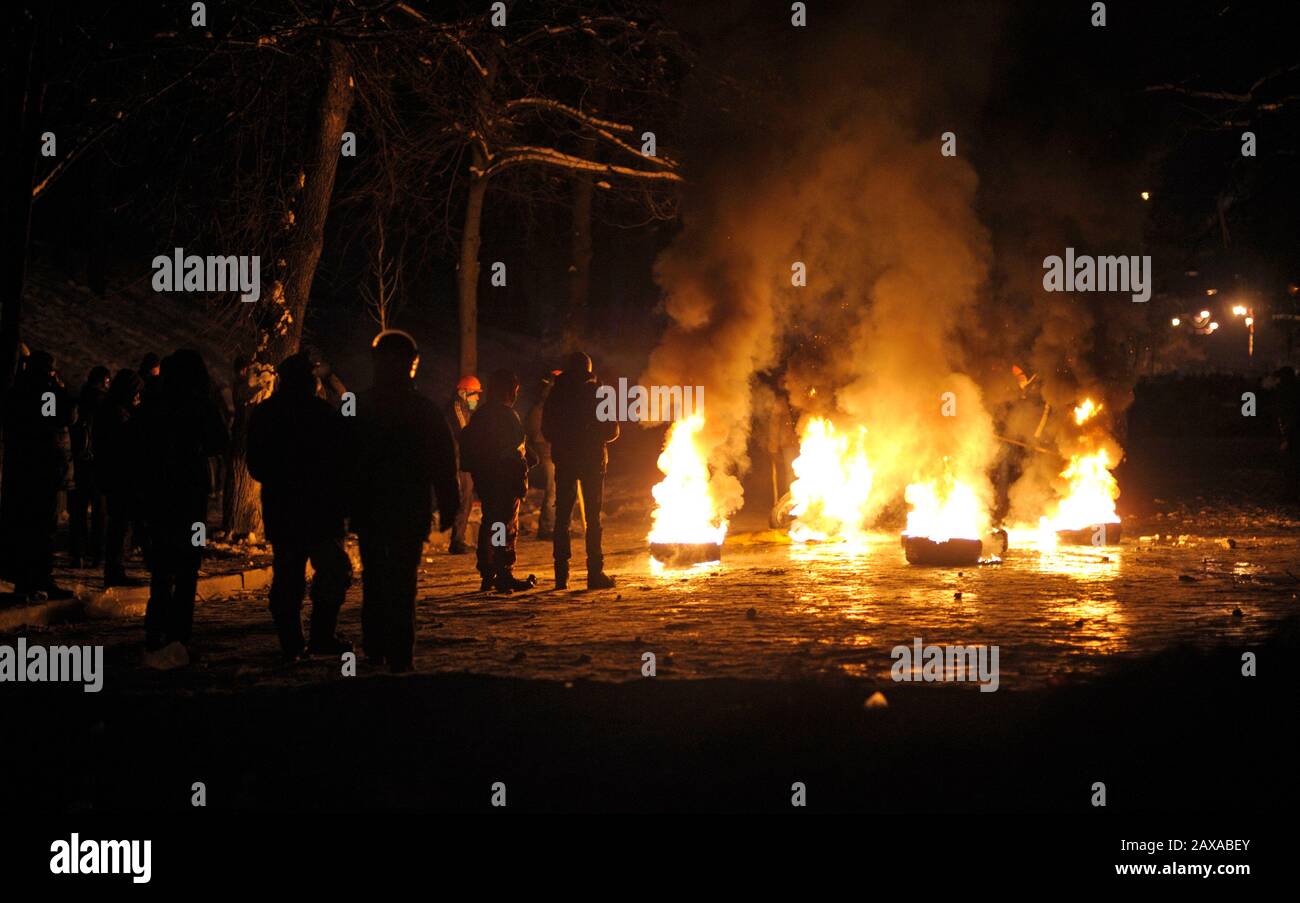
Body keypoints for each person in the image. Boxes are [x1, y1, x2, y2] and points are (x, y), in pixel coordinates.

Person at [352, 330, 459, 672]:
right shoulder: (422, 410)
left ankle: (376, 645)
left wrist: (341, 504)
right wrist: (448, 503)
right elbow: (442, 460)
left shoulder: (359, 406)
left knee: (375, 576)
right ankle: (399, 650)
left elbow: (340, 459)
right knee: (401, 578)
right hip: (407, 509)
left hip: (371, 509)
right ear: (412, 364)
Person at [247, 351, 354, 662]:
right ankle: (319, 635)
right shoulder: (323, 414)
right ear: (309, 382)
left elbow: (256, 465)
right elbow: (344, 462)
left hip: (285, 509)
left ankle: (293, 641)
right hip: (320, 509)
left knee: (289, 575)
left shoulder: (267, 413)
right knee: (333, 570)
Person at [135, 350, 228, 661]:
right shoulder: (200, 404)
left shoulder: (153, 401)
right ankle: (179, 633)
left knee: (162, 566)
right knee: (188, 565)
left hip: (158, 492)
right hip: (191, 494)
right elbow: (220, 442)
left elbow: (139, 443)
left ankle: (155, 627)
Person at [0, 351, 76, 599]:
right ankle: (41, 578)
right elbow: (62, 416)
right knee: (43, 529)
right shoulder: (45, 394)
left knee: (23, 527)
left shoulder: (15, 391)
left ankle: (25, 581)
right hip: (43, 471)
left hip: (22, 471)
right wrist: (59, 391)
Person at [542, 351, 618, 590]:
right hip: (591, 462)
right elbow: (612, 431)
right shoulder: (597, 392)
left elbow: (547, 429)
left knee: (562, 517)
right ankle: (595, 573)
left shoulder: (556, 393)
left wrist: (565, 442)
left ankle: (561, 576)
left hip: (565, 461)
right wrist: (591, 437)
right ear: (588, 370)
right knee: (593, 519)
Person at [460, 369, 537, 593]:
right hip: (504, 479)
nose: (516, 394)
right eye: (514, 390)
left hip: (486, 479)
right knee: (503, 525)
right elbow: (515, 448)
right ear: (506, 390)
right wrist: (527, 462)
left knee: (490, 523)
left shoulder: (481, 415)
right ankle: (503, 573)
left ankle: (488, 572)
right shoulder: (506, 415)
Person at [96, 370, 146, 586]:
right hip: (120, 476)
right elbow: (127, 445)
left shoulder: (113, 410)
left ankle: (116, 569)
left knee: (120, 524)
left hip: (116, 475)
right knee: (120, 524)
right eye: (136, 393)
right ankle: (114, 571)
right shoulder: (118, 415)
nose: (138, 398)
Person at [68, 366, 111, 568]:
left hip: (79, 461)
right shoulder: (106, 404)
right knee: (100, 510)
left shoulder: (78, 400)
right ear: (105, 381)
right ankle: (99, 555)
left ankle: (78, 553)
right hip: (99, 462)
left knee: (77, 510)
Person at [444, 374, 481, 554]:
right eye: (474, 393)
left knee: (466, 497)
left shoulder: (465, 408)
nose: (478, 397)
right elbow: (464, 435)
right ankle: (456, 541)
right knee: (464, 496)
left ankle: (458, 539)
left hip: (462, 457)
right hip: (458, 459)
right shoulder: (457, 407)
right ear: (463, 392)